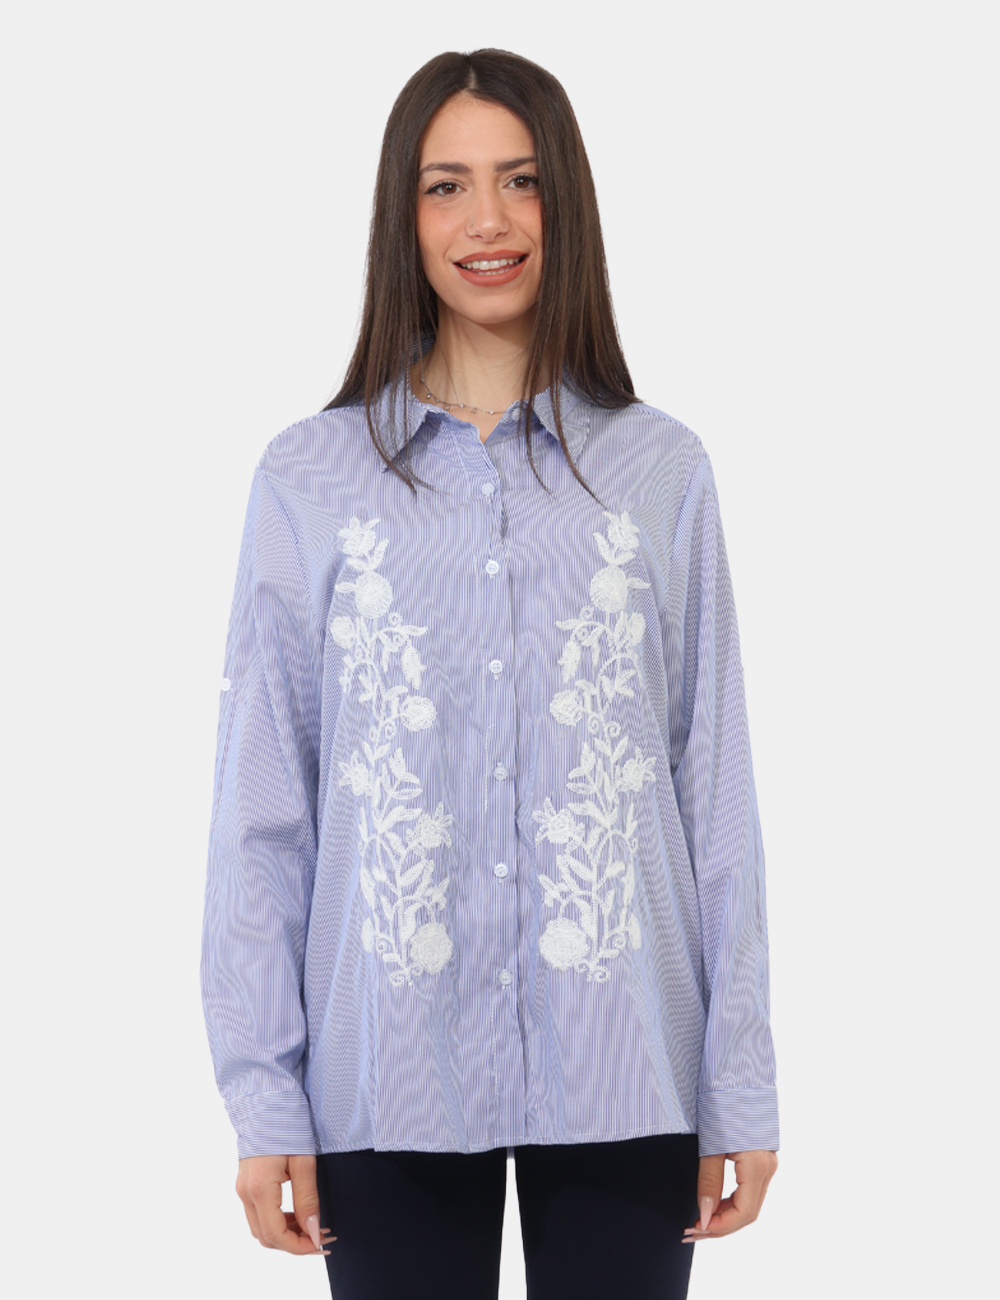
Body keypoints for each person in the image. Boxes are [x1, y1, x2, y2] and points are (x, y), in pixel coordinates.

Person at [200, 47, 779, 1300]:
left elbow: (713, 786)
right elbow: (263, 809)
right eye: (445, 186)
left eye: (521, 181)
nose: (488, 222)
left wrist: (739, 1078)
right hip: (386, 1069)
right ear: (401, 219)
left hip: (628, 1061)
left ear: (564, 203)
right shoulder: (309, 481)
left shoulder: (660, 471)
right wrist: (262, 1092)